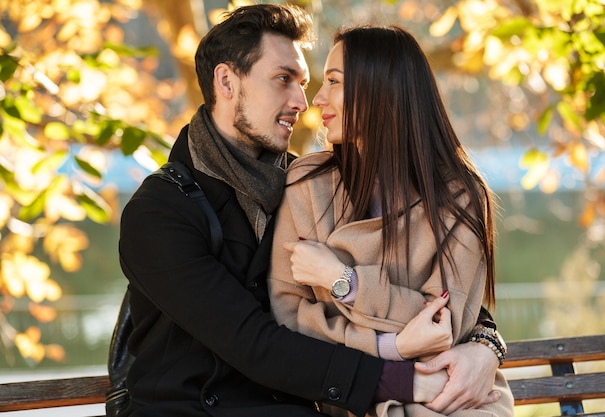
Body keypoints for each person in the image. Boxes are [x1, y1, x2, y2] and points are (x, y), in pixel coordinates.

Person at [118, 5, 503, 417]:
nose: (304, 101)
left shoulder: (299, 180)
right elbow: (255, 340)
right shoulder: (160, 211)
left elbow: (446, 298)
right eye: (284, 79)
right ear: (227, 81)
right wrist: (402, 374)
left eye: (305, 82)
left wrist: (486, 345)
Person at [268, 25, 514, 417]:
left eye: (334, 81)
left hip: (453, 392)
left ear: (382, 90)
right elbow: (290, 320)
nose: (318, 98)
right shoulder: (308, 184)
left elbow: (440, 327)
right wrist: (390, 347)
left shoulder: (460, 195)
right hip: (354, 394)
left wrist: (344, 283)